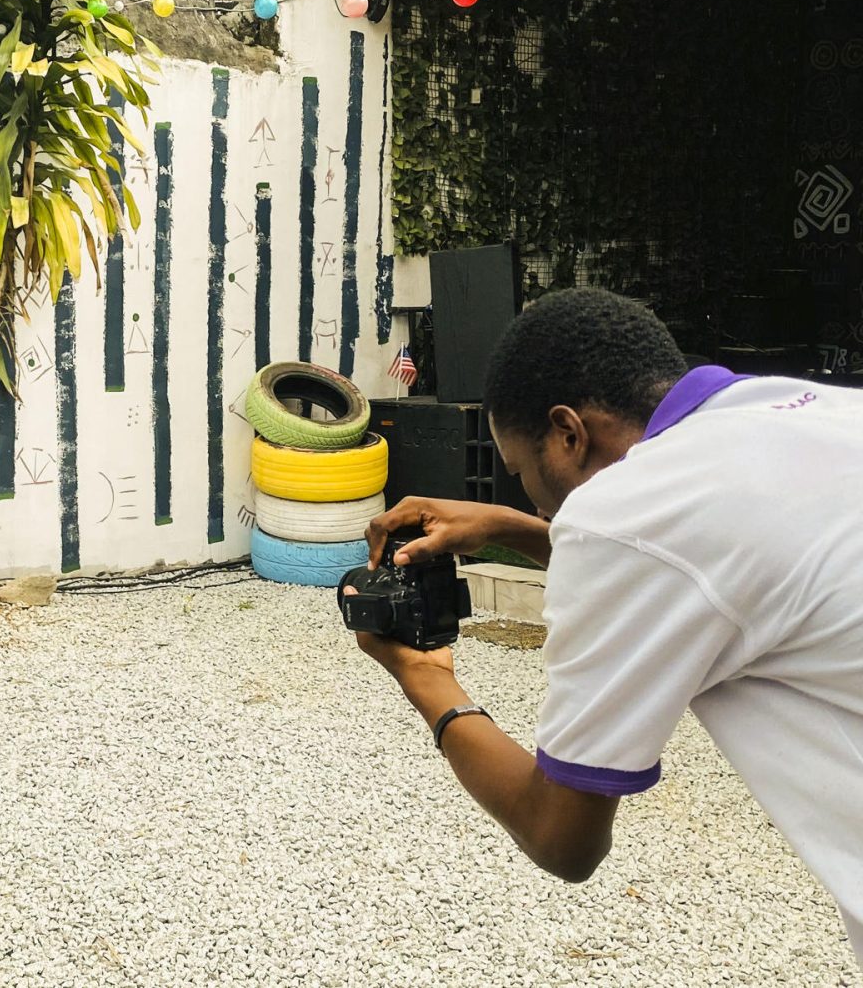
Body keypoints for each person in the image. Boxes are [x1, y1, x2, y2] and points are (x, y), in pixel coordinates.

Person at [358, 287, 863, 963]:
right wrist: (522, 529)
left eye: (520, 474)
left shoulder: (625, 516)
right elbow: (701, 561)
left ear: (568, 434)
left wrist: (423, 677)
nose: (527, 494)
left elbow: (562, 837)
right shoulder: (803, 409)